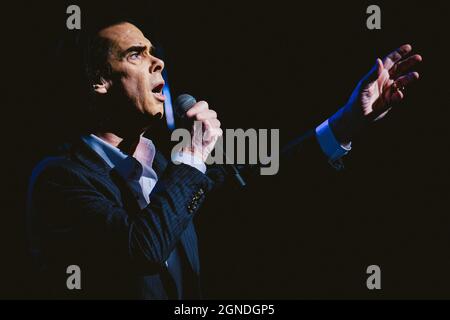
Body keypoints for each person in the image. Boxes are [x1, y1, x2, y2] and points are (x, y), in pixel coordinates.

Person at [27, 20, 422, 299]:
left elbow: (266, 176)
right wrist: (193, 154)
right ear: (99, 80)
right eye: (135, 54)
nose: (157, 61)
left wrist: (348, 120)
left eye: (154, 52)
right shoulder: (61, 178)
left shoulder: (166, 165)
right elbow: (140, 250)